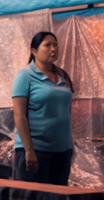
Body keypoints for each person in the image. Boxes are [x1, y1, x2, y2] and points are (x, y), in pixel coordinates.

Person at [12, 32, 73, 186]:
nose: (53, 49)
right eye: (47, 45)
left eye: (55, 44)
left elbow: (65, 110)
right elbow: (19, 116)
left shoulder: (62, 75)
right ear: (34, 51)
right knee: (34, 198)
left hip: (62, 151)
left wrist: (69, 145)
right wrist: (29, 150)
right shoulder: (25, 76)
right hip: (36, 151)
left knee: (58, 199)